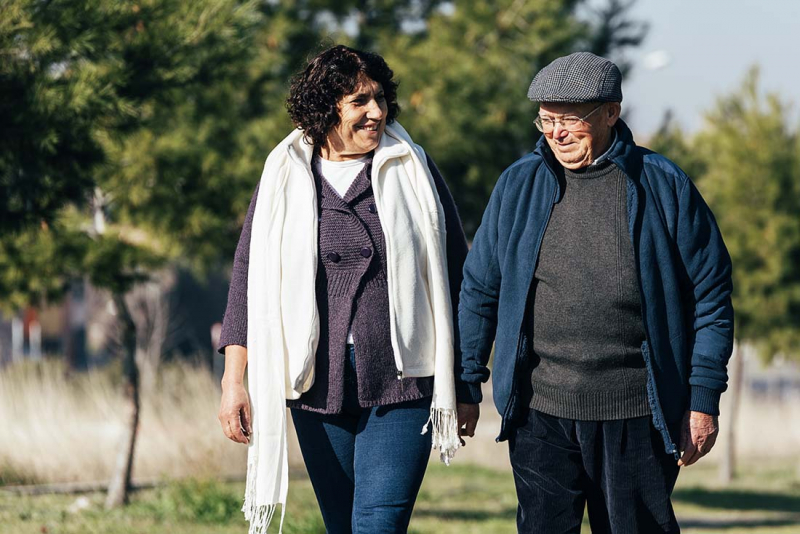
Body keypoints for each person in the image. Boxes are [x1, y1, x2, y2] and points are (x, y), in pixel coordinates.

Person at [457, 51, 734, 533]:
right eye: (546, 119)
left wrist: (703, 396)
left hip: (636, 415)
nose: (556, 132)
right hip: (539, 413)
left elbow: (710, 298)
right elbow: (480, 289)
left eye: (570, 119)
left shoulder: (663, 185)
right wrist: (466, 381)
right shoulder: (517, 185)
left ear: (611, 113)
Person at [216, 45, 477, 534]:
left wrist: (462, 384)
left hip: (405, 379)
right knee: (342, 524)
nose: (376, 111)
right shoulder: (283, 176)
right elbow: (247, 281)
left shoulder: (412, 169)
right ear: (325, 107)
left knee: (378, 522)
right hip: (316, 383)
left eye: (380, 98)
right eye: (360, 100)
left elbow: (457, 275)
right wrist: (235, 381)